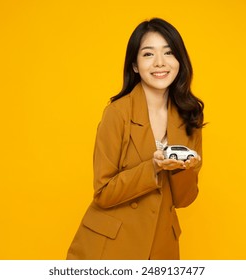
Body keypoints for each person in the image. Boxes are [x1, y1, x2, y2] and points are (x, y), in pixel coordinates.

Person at [66, 18, 204, 260]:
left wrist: (185, 170)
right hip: (111, 248)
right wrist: (152, 167)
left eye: (169, 52)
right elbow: (103, 192)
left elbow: (183, 200)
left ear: (179, 61)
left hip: (160, 249)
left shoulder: (189, 115)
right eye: (148, 54)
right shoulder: (117, 113)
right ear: (135, 66)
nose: (160, 63)